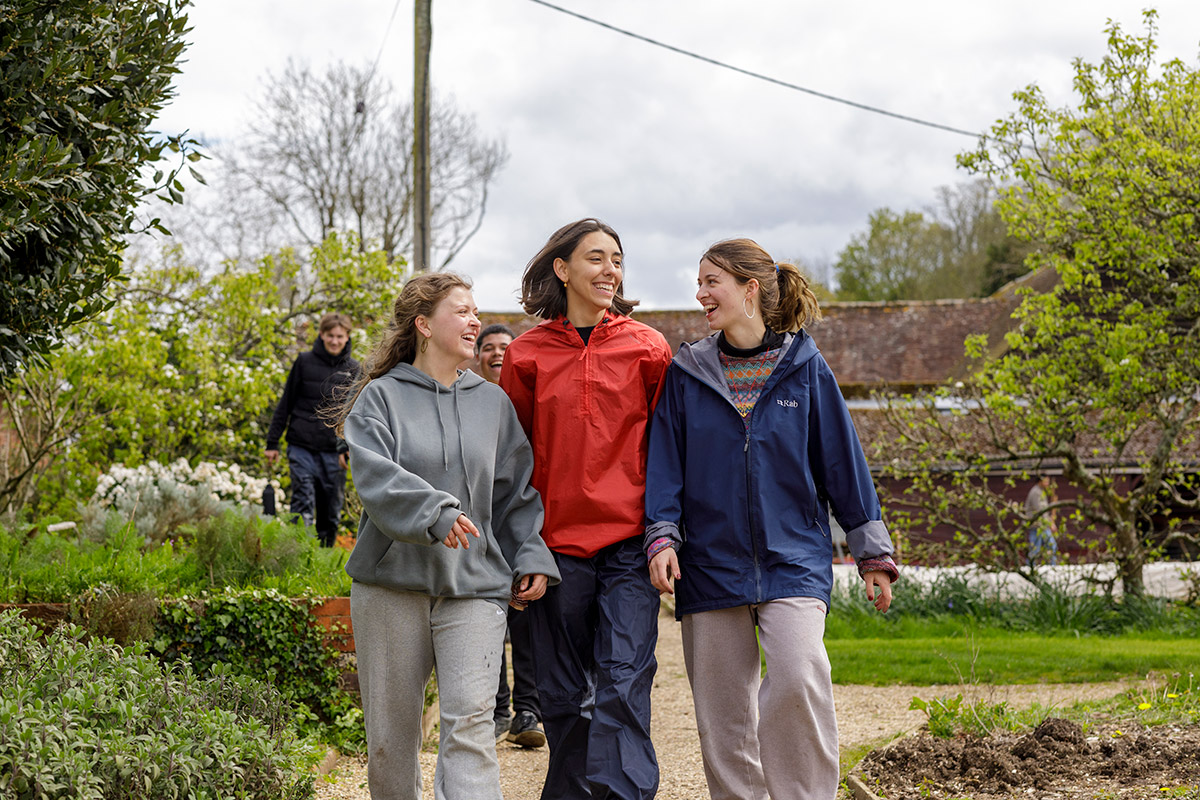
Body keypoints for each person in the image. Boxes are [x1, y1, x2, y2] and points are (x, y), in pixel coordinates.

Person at [644, 238, 900, 800]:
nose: (701, 292)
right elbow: (665, 466)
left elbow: (842, 464)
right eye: (700, 280)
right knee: (723, 716)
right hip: (709, 565)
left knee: (798, 673)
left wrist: (872, 553)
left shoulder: (805, 367)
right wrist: (661, 536)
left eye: (712, 281)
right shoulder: (686, 373)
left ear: (749, 288)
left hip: (792, 559)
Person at [337, 273, 560, 800]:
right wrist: (433, 511)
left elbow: (514, 493)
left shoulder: (493, 403)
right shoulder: (380, 399)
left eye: (475, 311)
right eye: (461, 312)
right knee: (392, 740)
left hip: (475, 587)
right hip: (391, 587)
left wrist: (529, 554)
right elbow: (374, 477)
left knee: (472, 729)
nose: (475, 321)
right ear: (423, 325)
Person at [499, 219, 672, 800]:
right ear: (562, 269)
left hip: (629, 544)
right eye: (596, 258)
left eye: (617, 260)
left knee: (623, 681)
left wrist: (665, 535)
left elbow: (669, 450)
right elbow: (513, 463)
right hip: (556, 550)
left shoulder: (648, 348)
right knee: (563, 694)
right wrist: (523, 547)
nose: (610, 270)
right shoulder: (525, 356)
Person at [474, 322, 547, 748]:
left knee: (525, 614)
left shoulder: (525, 397)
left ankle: (528, 710)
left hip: (524, 517)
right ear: (478, 355)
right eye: (489, 347)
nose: (498, 353)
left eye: (506, 346)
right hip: (479, 523)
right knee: (487, 615)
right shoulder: (469, 400)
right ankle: (498, 710)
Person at [266, 312, 358, 547]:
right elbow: (286, 403)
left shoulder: (354, 369)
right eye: (330, 336)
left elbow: (356, 416)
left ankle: (323, 561)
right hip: (301, 446)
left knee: (329, 512)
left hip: (333, 452)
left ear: (347, 337)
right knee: (302, 503)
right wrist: (272, 443)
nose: (335, 341)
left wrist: (348, 449)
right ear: (321, 335)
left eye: (340, 336)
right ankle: (297, 553)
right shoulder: (304, 362)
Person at [1025, 474, 1059, 566]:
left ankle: (1052, 566)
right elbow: (1040, 511)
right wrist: (1051, 523)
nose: (1048, 483)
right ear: (1040, 481)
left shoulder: (1041, 492)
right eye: (1046, 481)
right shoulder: (1036, 493)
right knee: (1035, 549)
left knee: (1051, 546)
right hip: (1036, 525)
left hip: (1042, 525)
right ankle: (1030, 568)